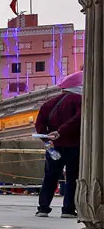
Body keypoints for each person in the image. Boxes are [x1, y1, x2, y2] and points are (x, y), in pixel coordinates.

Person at [34, 87, 82, 217]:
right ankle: (68, 209)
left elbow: (39, 126)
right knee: (72, 178)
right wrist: (61, 131)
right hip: (74, 145)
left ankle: (43, 208)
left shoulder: (48, 104)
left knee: (50, 177)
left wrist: (47, 141)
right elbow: (78, 119)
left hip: (54, 146)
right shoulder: (79, 100)